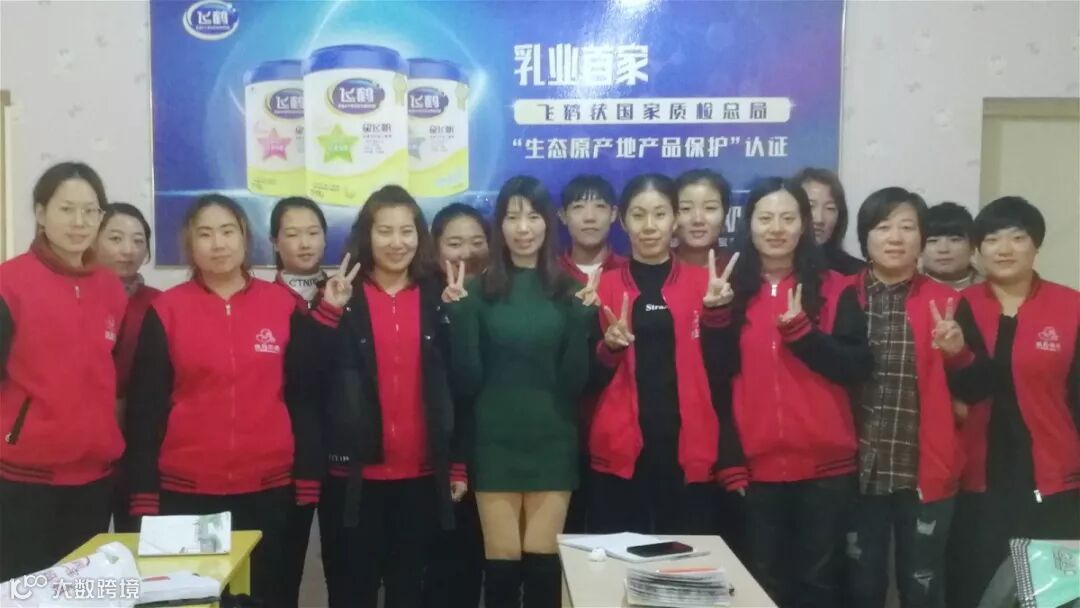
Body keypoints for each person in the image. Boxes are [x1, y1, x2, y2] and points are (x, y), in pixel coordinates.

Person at [125, 194, 351, 606]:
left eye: (227, 231)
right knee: (193, 601)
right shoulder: (167, 309)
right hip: (186, 492)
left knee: (268, 597)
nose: (218, 243)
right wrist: (143, 492)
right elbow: (145, 410)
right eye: (205, 234)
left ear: (245, 238)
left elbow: (303, 393)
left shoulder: (281, 305)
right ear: (190, 243)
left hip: (269, 490)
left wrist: (306, 476)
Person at [709, 178, 873, 608]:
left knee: (819, 586)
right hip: (755, 470)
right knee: (761, 585)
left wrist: (804, 335)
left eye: (788, 217)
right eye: (765, 218)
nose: (777, 228)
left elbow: (856, 366)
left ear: (804, 224)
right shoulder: (728, 289)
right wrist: (715, 315)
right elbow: (715, 380)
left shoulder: (837, 287)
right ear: (749, 225)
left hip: (826, 470)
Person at [443, 176, 592, 607]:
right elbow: (467, 381)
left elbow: (574, 385)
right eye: (512, 217)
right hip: (495, 444)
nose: (523, 228)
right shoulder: (475, 293)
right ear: (500, 225)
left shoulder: (571, 292)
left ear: (549, 223)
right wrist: (461, 320)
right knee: (502, 569)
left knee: (544, 570)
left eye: (533, 216)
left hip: (553, 442)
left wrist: (582, 324)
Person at [316, 186, 466, 608]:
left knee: (411, 594)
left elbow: (460, 384)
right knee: (351, 594)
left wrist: (456, 462)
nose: (397, 242)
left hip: (422, 479)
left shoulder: (440, 294)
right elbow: (308, 378)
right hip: (352, 480)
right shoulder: (339, 293)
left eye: (407, 231)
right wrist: (327, 311)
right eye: (385, 231)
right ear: (367, 234)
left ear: (420, 236)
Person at [845, 187, 981, 608]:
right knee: (859, 586)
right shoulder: (841, 295)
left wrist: (957, 352)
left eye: (907, 227)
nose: (895, 237)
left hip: (924, 466)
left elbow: (976, 387)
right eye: (883, 227)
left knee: (922, 586)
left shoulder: (950, 302)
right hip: (854, 467)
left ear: (921, 239)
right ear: (865, 237)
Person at [585, 173, 739, 537]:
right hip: (621, 448)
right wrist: (609, 349)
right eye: (638, 215)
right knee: (620, 558)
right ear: (623, 221)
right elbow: (584, 379)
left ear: (675, 219)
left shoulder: (706, 284)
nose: (649, 226)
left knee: (685, 560)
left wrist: (717, 315)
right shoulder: (601, 287)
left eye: (660, 213)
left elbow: (723, 370)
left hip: (688, 447)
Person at [946, 197, 1080, 608]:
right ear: (978, 249)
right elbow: (962, 390)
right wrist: (956, 354)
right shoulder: (960, 306)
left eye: (1017, 238)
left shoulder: (1071, 307)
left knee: (1052, 597)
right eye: (991, 239)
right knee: (974, 590)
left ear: (1035, 245)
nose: (1004, 249)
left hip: (1052, 478)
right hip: (977, 479)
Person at [0, 162, 127, 580]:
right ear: (41, 213)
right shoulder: (9, 283)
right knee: (24, 597)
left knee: (82, 595)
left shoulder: (109, 288)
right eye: (66, 209)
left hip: (94, 481)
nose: (79, 222)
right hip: (24, 482)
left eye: (90, 211)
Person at [266, 196, 351, 608]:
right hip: (284, 456)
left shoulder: (349, 294)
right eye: (292, 234)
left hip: (342, 454)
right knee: (280, 573)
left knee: (346, 571)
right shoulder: (263, 301)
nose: (304, 243)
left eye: (313, 232)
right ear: (274, 242)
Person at [424, 202, 490, 608]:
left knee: (483, 567)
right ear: (435, 249)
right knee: (440, 569)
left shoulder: (500, 294)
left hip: (497, 453)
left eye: (477, 241)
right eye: (454, 243)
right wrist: (457, 460)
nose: (467, 252)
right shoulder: (426, 301)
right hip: (446, 459)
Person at [94, 202, 162, 534]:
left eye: (138, 240)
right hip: (86, 447)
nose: (128, 249)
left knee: (135, 544)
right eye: (115, 238)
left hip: (141, 449)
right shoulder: (77, 295)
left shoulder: (160, 303)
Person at [794, 167, 864, 275]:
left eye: (830, 208)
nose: (819, 219)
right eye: (810, 206)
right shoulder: (775, 269)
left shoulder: (857, 274)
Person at [557, 174, 626, 283]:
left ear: (613, 214)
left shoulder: (629, 272)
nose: (590, 217)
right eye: (578, 207)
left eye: (599, 206)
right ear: (563, 216)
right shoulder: (550, 272)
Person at [674, 168, 733, 268]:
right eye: (685, 208)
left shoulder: (739, 269)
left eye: (710, 208)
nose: (698, 220)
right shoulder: (656, 266)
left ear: (725, 215)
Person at [922, 202, 982, 290]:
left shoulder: (994, 290)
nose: (943, 249)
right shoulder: (907, 290)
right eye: (933, 241)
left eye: (955, 240)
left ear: (972, 246)